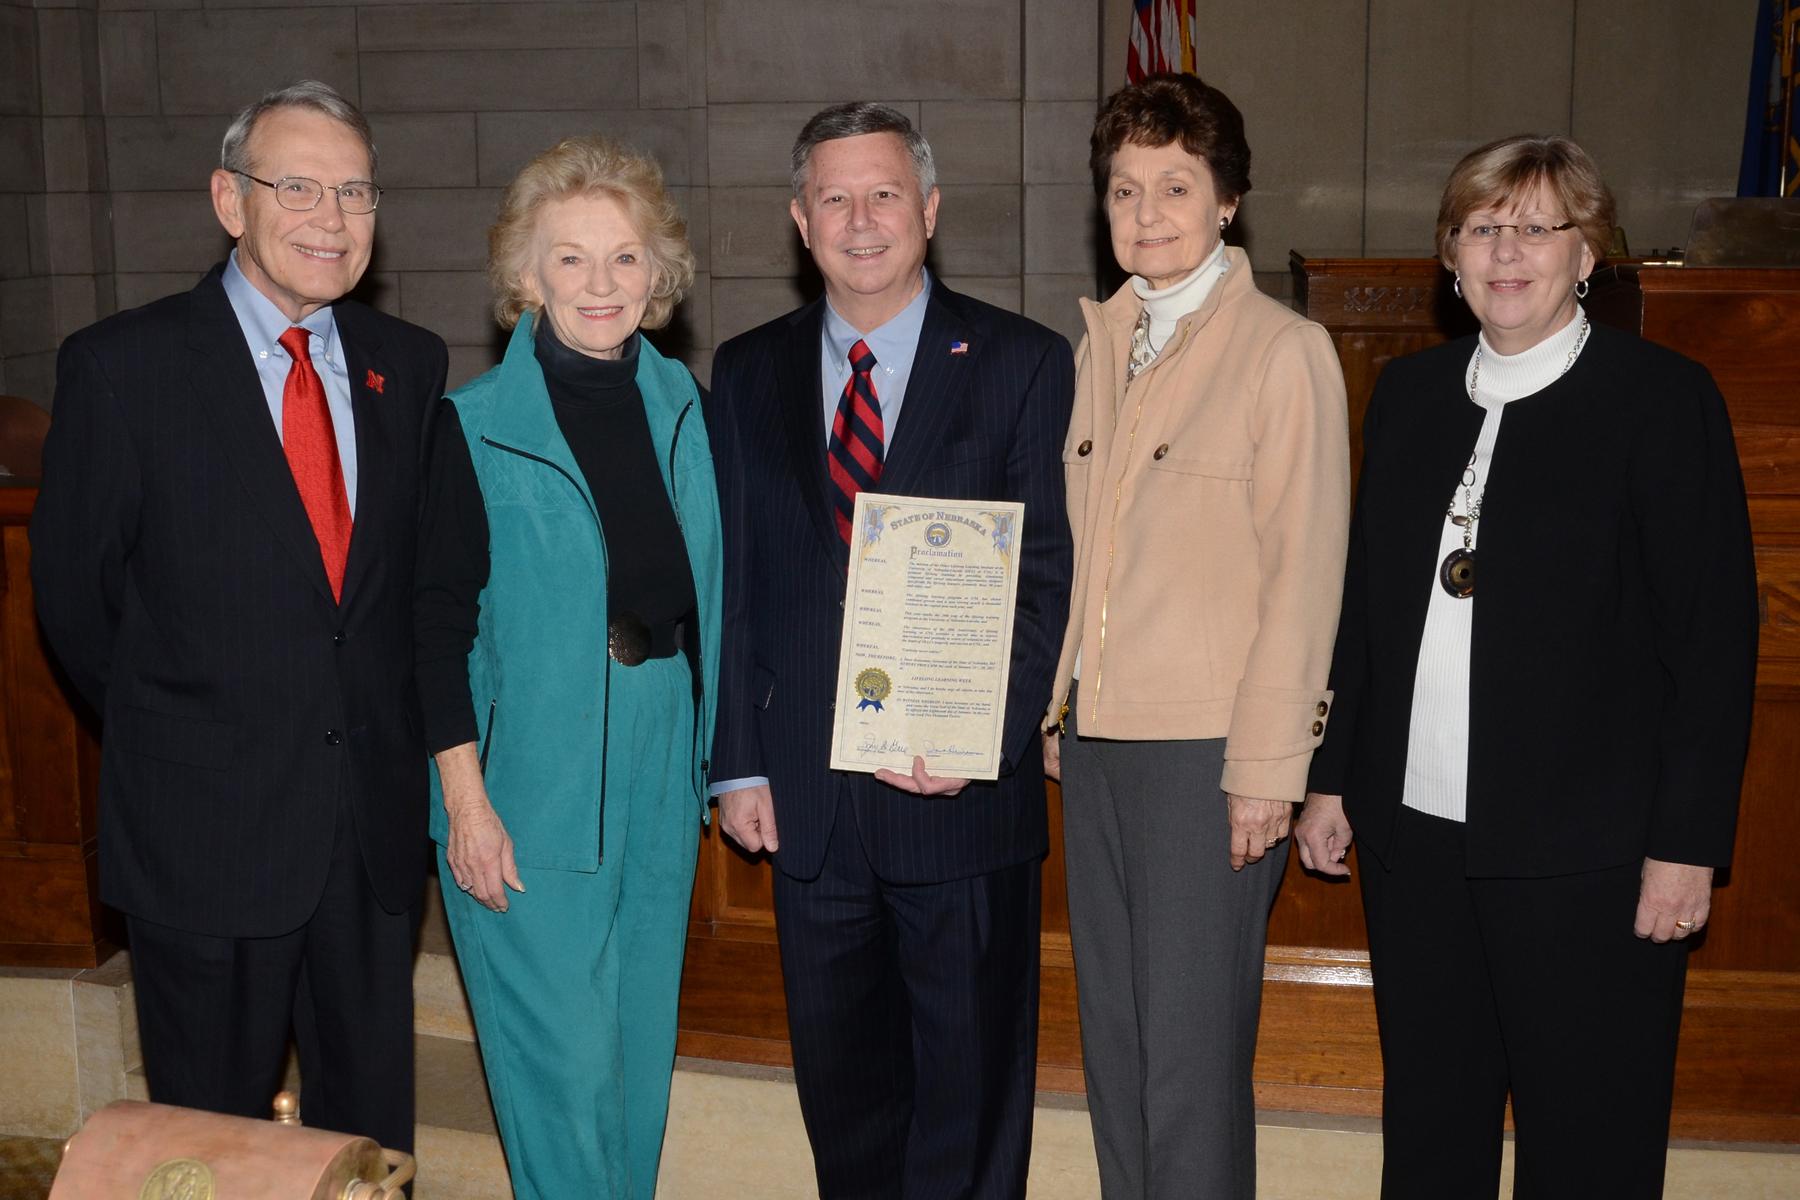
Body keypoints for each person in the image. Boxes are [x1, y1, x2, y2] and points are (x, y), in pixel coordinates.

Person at [1296, 134, 1757, 1198]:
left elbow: (1712, 639)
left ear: (1589, 253)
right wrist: (1333, 777)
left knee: (1589, 1140)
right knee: (1431, 1130)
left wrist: (1687, 844)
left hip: (1590, 856)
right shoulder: (1409, 396)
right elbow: (1369, 610)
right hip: (1419, 847)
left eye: (1536, 228)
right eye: (1481, 228)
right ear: (1450, 257)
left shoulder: (1661, 398)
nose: (1507, 252)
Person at [29, 80, 447, 1149]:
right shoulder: (122, 367)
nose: (332, 217)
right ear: (230, 200)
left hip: (367, 842)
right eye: (296, 186)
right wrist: (192, 737)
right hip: (201, 840)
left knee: (370, 1150)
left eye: (354, 191)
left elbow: (395, 602)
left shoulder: (411, 365)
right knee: (205, 1153)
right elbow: (77, 605)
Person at [707, 102, 1073, 1199]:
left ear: (930, 209)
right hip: (807, 812)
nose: (860, 219)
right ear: (798, 220)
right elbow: (731, 582)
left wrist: (989, 734)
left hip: (960, 803)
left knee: (968, 1113)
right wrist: (737, 762)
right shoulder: (745, 369)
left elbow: (1048, 571)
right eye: (834, 197)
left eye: (884, 194)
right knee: (848, 1110)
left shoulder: (1021, 359)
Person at [1039, 73, 1351, 1200]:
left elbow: (1306, 577)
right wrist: (1061, 703)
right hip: (1102, 743)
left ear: (1229, 202)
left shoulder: (1282, 352)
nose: (1147, 211)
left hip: (1209, 758)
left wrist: (1269, 769)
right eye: (1124, 189)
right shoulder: (1101, 347)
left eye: (1176, 185)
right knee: (1116, 1052)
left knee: (1190, 1062)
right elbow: (1088, 556)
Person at [414, 135, 719, 1200]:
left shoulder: (683, 403)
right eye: (572, 259)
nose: (602, 284)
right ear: (525, 277)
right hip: (528, 776)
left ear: (659, 274)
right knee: (564, 1064)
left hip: (661, 747)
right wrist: (467, 804)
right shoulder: (473, 428)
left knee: (637, 1054)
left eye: (625, 258)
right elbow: (432, 627)